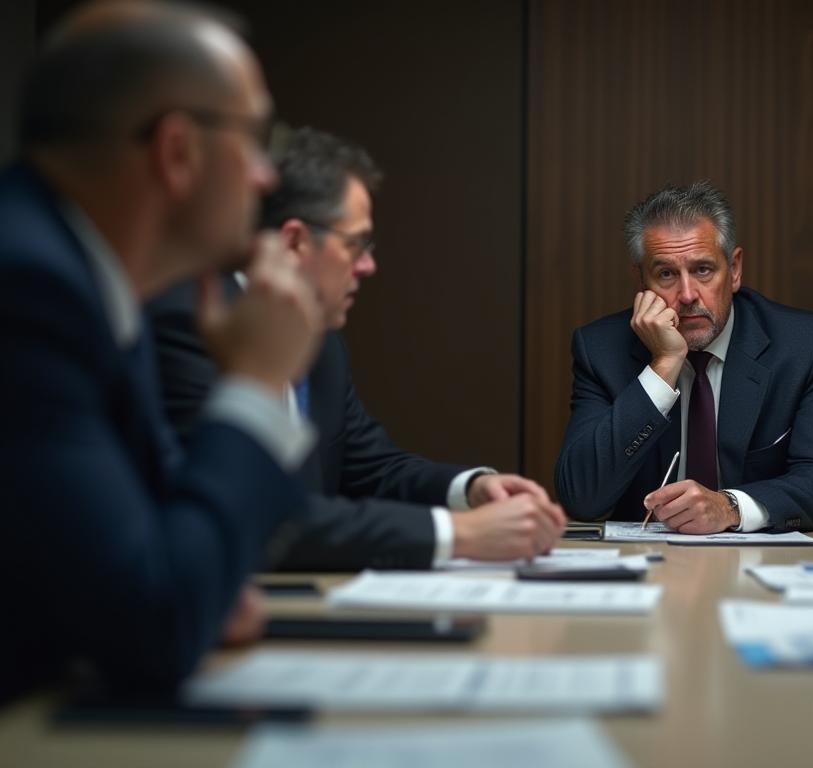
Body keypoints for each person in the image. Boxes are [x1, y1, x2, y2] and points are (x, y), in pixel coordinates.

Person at [0, 1, 323, 701]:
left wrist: (197, 583)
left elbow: (161, 558)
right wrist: (256, 382)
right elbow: (154, 623)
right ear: (177, 151)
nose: (266, 177)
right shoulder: (29, 293)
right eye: (254, 138)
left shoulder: (95, 285)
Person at [149, 128, 565, 570]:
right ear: (294, 242)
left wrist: (471, 489)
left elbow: (370, 467)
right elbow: (254, 513)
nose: (369, 266)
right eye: (356, 245)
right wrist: (459, 534)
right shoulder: (195, 323)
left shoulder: (321, 343)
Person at [555, 181, 813, 532]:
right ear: (641, 281)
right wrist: (663, 365)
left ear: (735, 269)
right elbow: (581, 496)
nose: (687, 295)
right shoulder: (601, 350)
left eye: (702, 270)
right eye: (666, 274)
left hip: (759, 560)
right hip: (647, 559)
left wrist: (729, 508)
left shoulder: (803, 345)